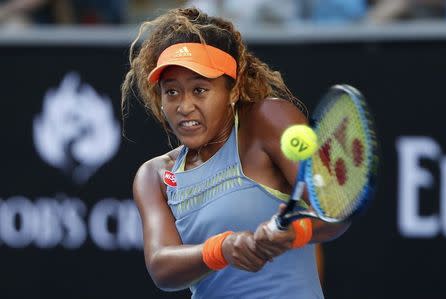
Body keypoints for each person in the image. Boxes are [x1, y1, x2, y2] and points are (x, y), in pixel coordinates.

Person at [121, 7, 350, 298]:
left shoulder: (268, 121)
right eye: (172, 91)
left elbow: (335, 213)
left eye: (200, 90)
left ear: (233, 90)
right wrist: (222, 249)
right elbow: (161, 267)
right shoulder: (154, 176)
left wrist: (296, 231)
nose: (184, 106)